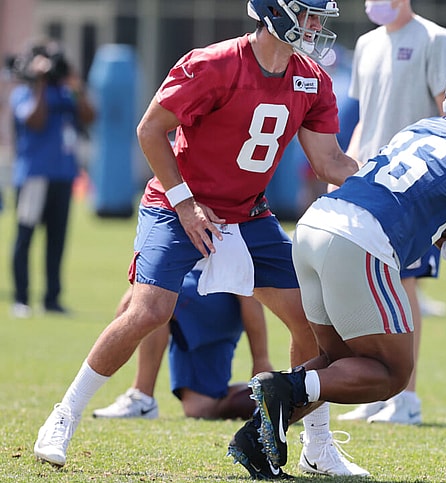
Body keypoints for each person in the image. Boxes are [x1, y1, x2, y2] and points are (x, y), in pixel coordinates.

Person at [33, 1, 368, 478]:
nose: (317, 25)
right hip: (177, 205)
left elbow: (329, 162)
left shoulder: (310, 78)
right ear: (275, 12)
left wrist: (384, 184)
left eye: (320, 15)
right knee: (149, 310)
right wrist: (186, 204)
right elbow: (150, 130)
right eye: (309, 14)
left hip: (248, 214)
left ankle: (318, 445)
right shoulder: (213, 64)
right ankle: (63, 416)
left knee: (314, 325)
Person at [231, 53, 446, 472]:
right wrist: (442, 238)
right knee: (392, 371)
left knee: (340, 362)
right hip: (360, 241)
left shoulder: (422, 126)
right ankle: (284, 386)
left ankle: (255, 441)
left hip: (316, 222)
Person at [337, 0, 446, 425]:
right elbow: (364, 118)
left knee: (405, 284)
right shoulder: (367, 42)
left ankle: (406, 397)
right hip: (369, 180)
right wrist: (344, 171)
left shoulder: (435, 38)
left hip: (414, 182)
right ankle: (375, 389)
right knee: (366, 286)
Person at [92, 268, 271, 420]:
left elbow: (247, 290)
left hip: (219, 296)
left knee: (152, 301)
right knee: (200, 407)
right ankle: (281, 397)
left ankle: (142, 396)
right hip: (196, 292)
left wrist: (260, 360)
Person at [8, 40, 95, 318]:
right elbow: (34, 119)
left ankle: (52, 300)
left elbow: (90, 116)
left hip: (63, 175)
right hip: (34, 176)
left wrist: (76, 85)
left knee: (56, 240)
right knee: (26, 237)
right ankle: (21, 298)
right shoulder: (24, 94)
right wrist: (40, 82)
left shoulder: (65, 94)